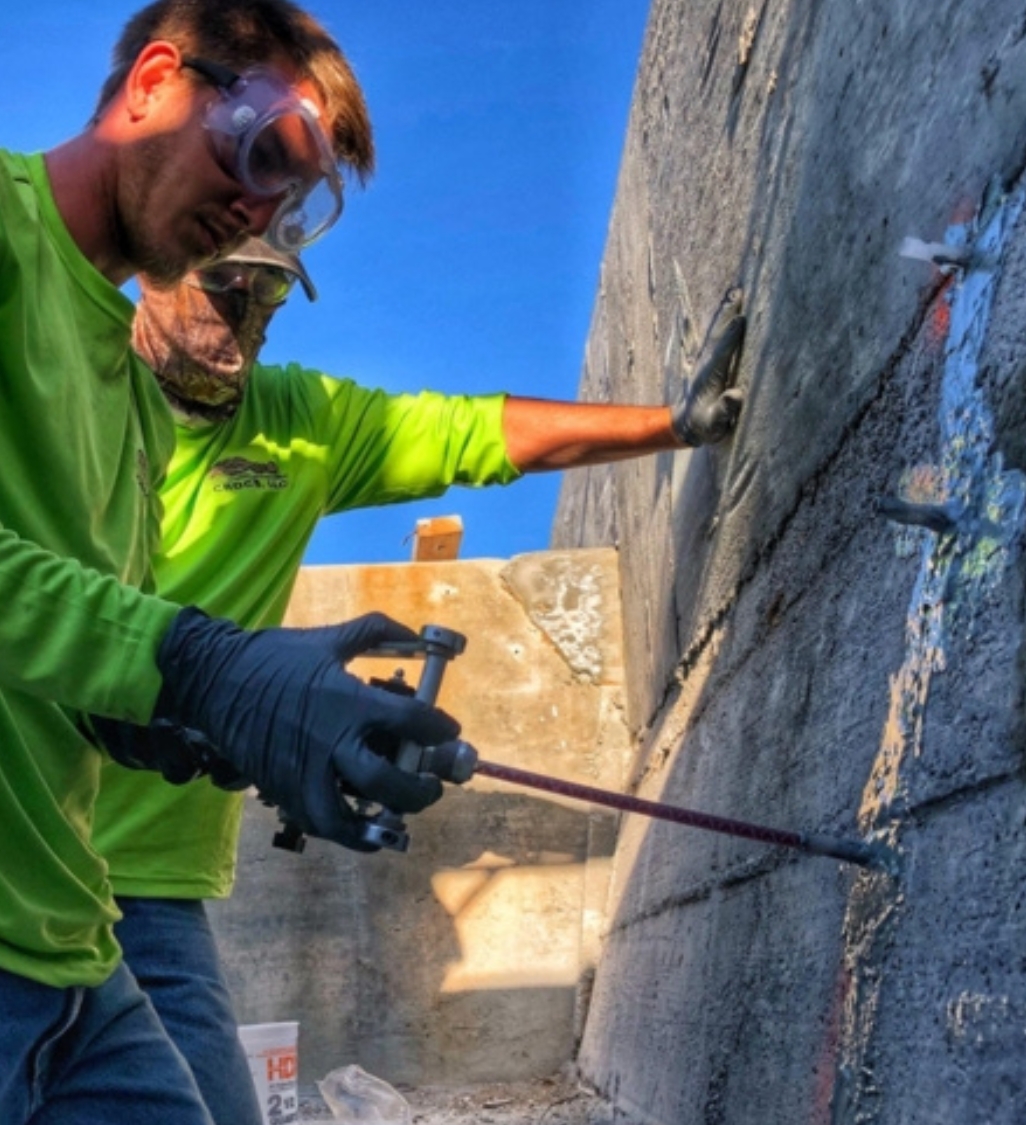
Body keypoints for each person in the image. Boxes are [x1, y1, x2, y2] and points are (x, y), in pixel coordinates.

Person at [90, 236, 747, 1125]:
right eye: (222, 284)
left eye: (270, 292)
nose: (243, 316)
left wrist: (667, 423)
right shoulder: (71, 405)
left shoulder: (298, 424)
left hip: (156, 886)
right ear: (153, 263)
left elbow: (469, 432)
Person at [0, 3, 463, 1123]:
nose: (260, 211)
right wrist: (199, 666)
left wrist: (173, 721)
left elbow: (52, 653)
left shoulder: (130, 408)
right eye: (263, 154)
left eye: (295, 200)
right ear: (155, 80)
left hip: (70, 945)